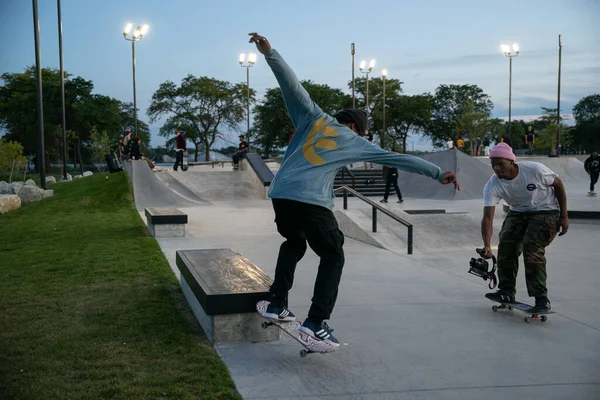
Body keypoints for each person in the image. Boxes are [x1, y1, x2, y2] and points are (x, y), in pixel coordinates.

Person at [248, 32, 459, 347]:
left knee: (294, 242)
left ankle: (277, 303)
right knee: (333, 254)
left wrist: (269, 52)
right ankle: (316, 323)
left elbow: (291, 86)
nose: (364, 137)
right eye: (364, 132)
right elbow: (397, 158)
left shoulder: (311, 116)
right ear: (356, 128)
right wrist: (438, 173)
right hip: (311, 202)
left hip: (280, 196)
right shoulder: (356, 140)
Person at [480, 143, 568, 313]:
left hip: (546, 210)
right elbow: (487, 217)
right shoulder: (492, 185)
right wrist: (487, 245)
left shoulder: (534, 170)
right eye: (493, 165)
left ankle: (542, 298)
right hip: (518, 211)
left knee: (531, 247)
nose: (497, 169)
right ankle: (506, 292)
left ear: (511, 162)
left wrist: (564, 216)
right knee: (506, 246)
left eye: (501, 164)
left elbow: (558, 185)